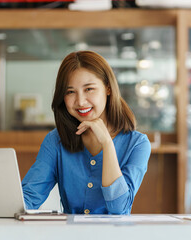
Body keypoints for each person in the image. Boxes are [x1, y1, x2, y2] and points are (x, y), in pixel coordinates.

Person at [22, 51, 151, 214]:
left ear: (108, 88)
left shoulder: (137, 144)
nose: (80, 101)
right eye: (70, 92)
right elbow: (29, 198)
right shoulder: (56, 140)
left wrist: (107, 143)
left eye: (89, 89)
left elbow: (119, 209)